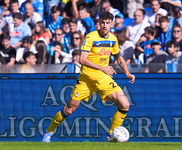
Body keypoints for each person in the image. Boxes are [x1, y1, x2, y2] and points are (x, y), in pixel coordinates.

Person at [42, 11, 135, 143]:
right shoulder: (91, 37)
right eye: (102, 22)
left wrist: (127, 72)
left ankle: (111, 136)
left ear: (112, 24)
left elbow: (118, 57)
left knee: (125, 104)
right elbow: (82, 59)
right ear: (99, 23)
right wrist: (103, 67)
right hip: (86, 80)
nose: (104, 25)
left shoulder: (113, 39)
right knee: (69, 110)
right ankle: (48, 133)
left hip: (103, 79)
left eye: (107, 23)